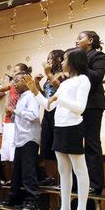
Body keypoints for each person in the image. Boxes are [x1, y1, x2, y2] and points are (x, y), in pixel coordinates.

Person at [25, 47, 91, 210]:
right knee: (63, 170)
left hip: (73, 128)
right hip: (59, 128)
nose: (62, 62)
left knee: (79, 169)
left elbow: (79, 108)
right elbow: (48, 106)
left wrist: (59, 98)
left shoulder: (83, 80)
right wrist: (35, 91)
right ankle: (65, 208)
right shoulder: (66, 83)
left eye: (65, 59)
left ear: (74, 61)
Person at [1, 72, 41, 210]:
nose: (14, 84)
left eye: (17, 81)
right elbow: (20, 118)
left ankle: (32, 200)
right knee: (16, 172)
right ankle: (14, 198)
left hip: (29, 138)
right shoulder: (21, 98)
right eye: (13, 81)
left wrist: (14, 111)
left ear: (26, 81)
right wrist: (12, 114)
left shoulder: (31, 96)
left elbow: (34, 116)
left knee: (28, 171)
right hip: (20, 139)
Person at [76, 31, 105, 195]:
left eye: (80, 37)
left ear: (91, 40)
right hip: (77, 106)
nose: (77, 40)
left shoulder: (98, 56)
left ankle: (96, 184)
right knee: (75, 145)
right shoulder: (77, 59)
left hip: (92, 105)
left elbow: (97, 76)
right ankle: (80, 182)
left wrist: (80, 66)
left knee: (91, 143)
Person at [37, 50, 65, 186]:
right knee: (46, 144)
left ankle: (62, 178)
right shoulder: (48, 77)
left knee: (59, 145)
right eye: (47, 58)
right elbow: (44, 95)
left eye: (51, 58)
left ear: (59, 59)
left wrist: (48, 74)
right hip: (48, 112)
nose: (48, 61)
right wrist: (36, 84)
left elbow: (61, 89)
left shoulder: (63, 74)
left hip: (59, 112)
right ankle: (50, 177)